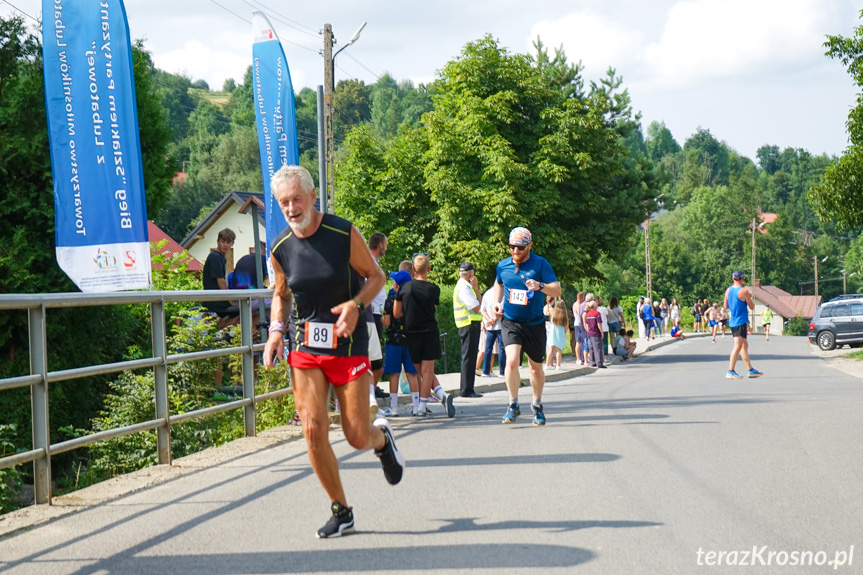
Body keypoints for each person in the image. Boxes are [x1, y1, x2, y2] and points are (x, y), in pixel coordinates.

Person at [262, 165, 403, 539]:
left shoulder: (342, 233)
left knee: (356, 435)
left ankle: (381, 440)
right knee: (312, 428)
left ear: (311, 197)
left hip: (348, 343)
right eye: (284, 202)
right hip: (308, 345)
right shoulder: (279, 247)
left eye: (296, 199)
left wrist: (356, 304)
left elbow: (377, 277)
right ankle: (341, 510)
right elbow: (281, 294)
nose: (291, 208)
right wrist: (276, 330)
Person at [492, 227, 561, 426]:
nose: (515, 251)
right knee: (511, 362)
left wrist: (540, 286)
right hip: (511, 321)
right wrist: (497, 301)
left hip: (535, 323)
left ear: (529, 245)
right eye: (512, 247)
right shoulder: (503, 265)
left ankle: (537, 404)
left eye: (520, 248)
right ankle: (512, 404)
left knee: (535, 369)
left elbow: (557, 290)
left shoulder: (540, 263)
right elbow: (498, 283)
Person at [394, 253, 456, 417]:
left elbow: (396, 313)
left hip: (411, 333)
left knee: (419, 370)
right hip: (430, 332)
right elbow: (433, 308)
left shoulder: (405, 288)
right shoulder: (434, 289)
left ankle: (439, 396)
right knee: (427, 371)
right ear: (428, 269)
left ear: (413, 270)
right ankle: (429, 402)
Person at [381, 270, 420, 417]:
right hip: (411, 340)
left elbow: (387, 322)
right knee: (412, 374)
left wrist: (380, 320)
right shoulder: (413, 299)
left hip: (394, 341)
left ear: (397, 284)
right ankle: (416, 407)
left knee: (394, 374)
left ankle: (394, 407)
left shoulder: (390, 299)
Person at [724, 270, 763, 379]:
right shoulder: (743, 291)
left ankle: (751, 370)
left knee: (744, 345)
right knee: (737, 346)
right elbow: (751, 306)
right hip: (740, 321)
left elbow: (725, 305)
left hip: (733, 321)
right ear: (743, 279)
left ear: (732, 279)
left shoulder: (728, 290)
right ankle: (730, 371)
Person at [453, 261, 483, 398]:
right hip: (468, 324)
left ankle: (468, 388)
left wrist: (476, 287)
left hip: (470, 324)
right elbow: (476, 306)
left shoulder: (467, 286)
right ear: (471, 273)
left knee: (470, 357)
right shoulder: (464, 287)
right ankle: (466, 389)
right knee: (468, 358)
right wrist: (475, 288)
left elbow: (479, 303)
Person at [367, 232, 388, 399]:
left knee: (375, 357)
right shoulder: (367, 262)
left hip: (375, 314)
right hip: (370, 315)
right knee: (375, 361)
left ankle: (372, 390)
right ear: (380, 245)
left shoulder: (374, 262)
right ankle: (369, 394)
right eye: (385, 244)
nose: (386, 248)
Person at [202, 228, 237, 320]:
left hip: (216, 298)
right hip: (214, 300)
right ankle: (227, 332)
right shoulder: (215, 257)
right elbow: (220, 281)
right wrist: (231, 301)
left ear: (232, 244)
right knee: (240, 309)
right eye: (223, 242)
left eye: (228, 242)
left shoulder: (221, 257)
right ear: (218, 241)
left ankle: (223, 328)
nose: (225, 245)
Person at [480, 286, 506, 377]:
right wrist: (494, 320)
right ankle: (502, 372)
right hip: (500, 325)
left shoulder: (487, 293)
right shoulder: (503, 294)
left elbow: (482, 309)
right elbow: (501, 310)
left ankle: (485, 371)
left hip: (490, 326)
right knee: (502, 348)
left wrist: (488, 320)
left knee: (488, 349)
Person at [547, 299, 568, 369]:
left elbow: (550, 323)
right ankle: (558, 365)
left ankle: (547, 365)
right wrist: (564, 333)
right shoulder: (564, 316)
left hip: (552, 333)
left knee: (551, 349)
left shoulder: (553, 315)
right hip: (560, 333)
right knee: (559, 349)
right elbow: (566, 326)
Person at [584, 300, 605, 368]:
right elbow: (599, 324)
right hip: (596, 333)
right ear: (594, 306)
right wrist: (601, 332)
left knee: (591, 348)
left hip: (590, 333)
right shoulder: (597, 313)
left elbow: (586, 324)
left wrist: (588, 331)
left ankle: (592, 362)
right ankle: (599, 363)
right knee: (598, 348)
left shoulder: (588, 314)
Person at [571, 292, 585, 364]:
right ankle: (578, 358)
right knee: (578, 341)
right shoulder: (577, 305)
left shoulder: (577, 304)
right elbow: (580, 314)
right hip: (578, 324)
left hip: (578, 323)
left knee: (580, 341)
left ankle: (581, 357)